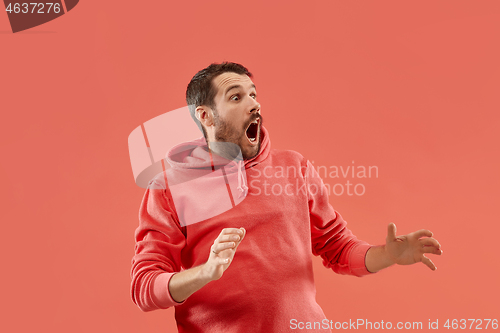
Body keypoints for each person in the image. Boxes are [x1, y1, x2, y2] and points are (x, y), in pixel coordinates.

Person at [130, 62, 443, 333]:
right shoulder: (169, 186)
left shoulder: (295, 167)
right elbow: (145, 287)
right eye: (236, 97)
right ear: (206, 116)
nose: (254, 105)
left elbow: (338, 248)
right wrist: (205, 273)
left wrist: (387, 256)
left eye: (254, 94)